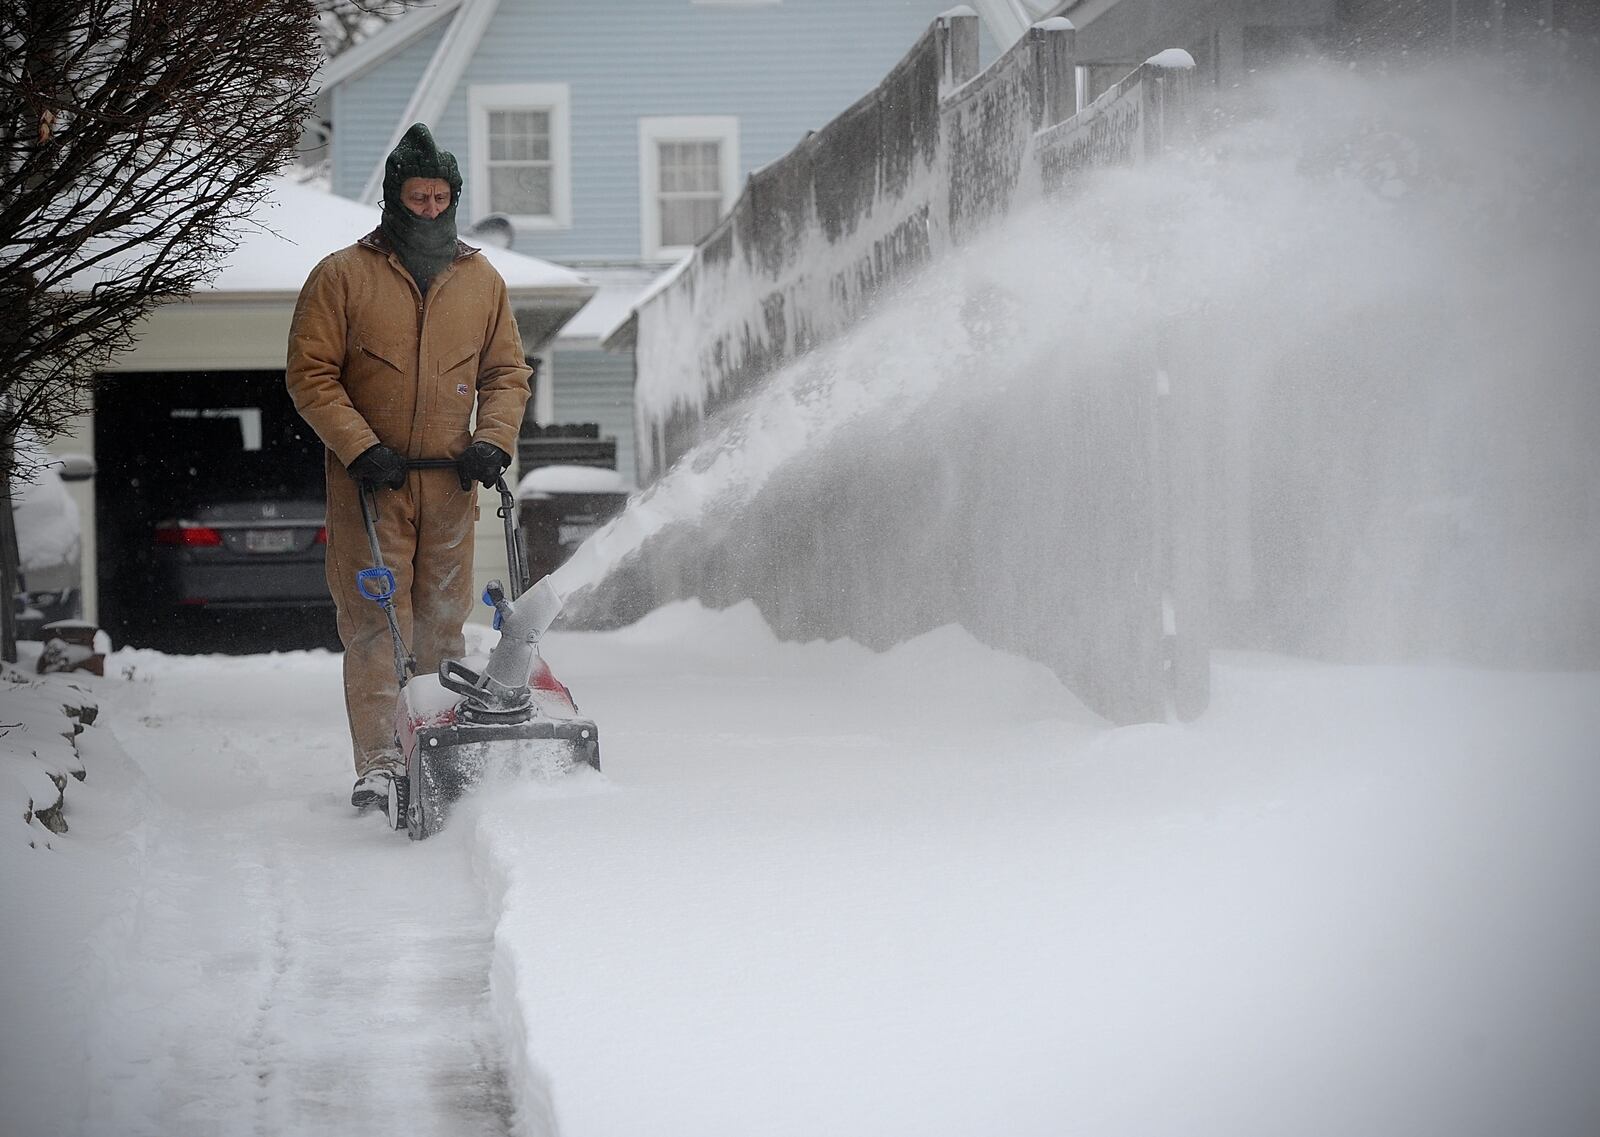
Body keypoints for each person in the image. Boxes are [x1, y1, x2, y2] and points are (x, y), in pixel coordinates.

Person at [286, 122, 532, 818]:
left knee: (441, 626)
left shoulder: (481, 280)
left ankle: (438, 746)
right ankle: (380, 761)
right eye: (417, 196)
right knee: (374, 622)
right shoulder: (343, 276)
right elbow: (310, 373)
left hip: (449, 483)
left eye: (439, 196)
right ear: (395, 199)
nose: (429, 207)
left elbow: (508, 372)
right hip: (370, 483)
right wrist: (360, 446)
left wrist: (493, 438)